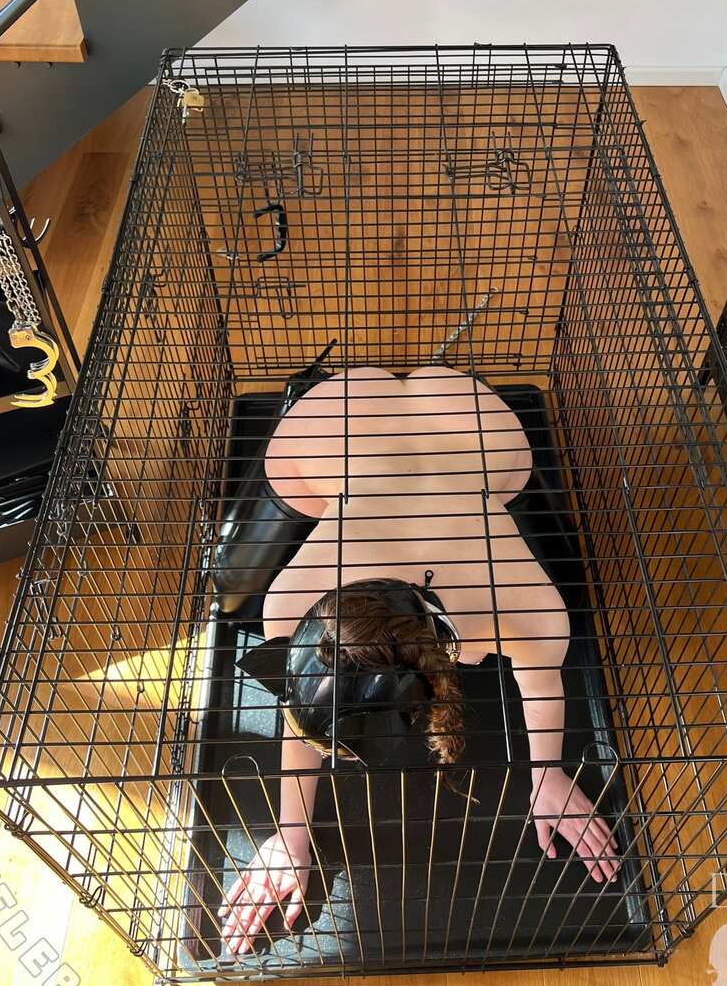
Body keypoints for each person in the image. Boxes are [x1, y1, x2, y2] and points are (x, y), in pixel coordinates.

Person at [218, 366, 620, 956]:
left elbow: (542, 679)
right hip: (401, 413)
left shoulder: (524, 607)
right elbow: (302, 713)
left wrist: (548, 775)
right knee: (230, 576)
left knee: (504, 480)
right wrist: (290, 835)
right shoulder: (293, 603)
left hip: (434, 418)